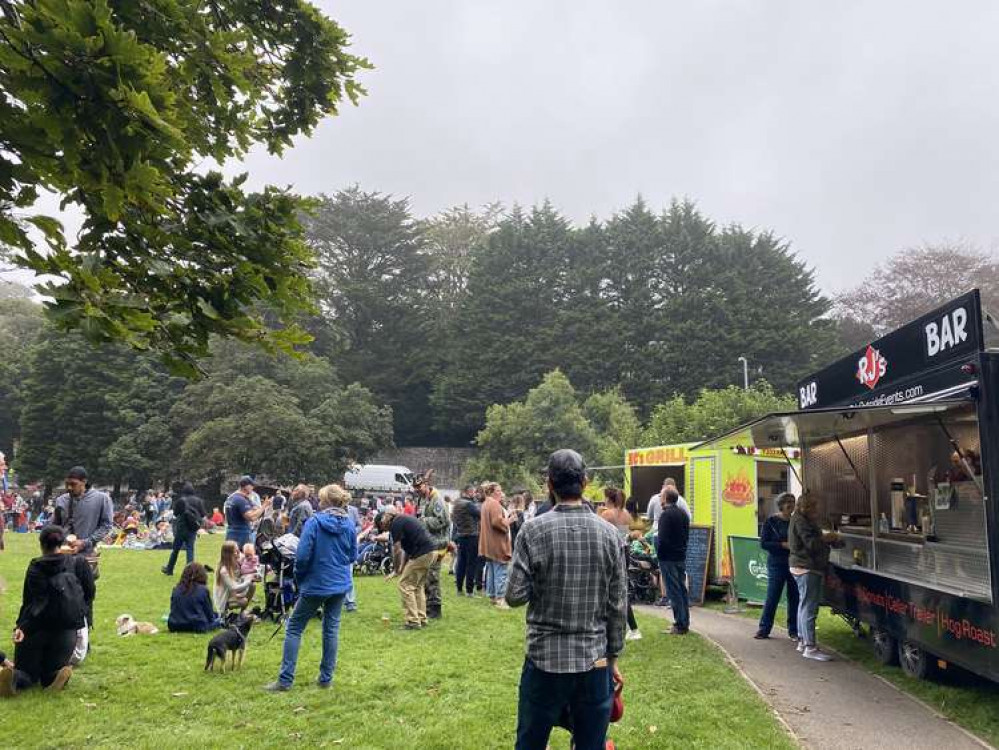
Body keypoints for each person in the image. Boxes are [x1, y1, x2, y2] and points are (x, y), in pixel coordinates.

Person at [506, 449, 627, 750]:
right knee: (590, 745)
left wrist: (544, 580)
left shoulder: (532, 530)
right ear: (585, 483)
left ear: (549, 484)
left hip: (544, 659)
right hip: (594, 660)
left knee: (531, 742)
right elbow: (618, 606)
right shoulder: (611, 535)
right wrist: (612, 659)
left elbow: (514, 595)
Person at [265, 484, 357, 692]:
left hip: (316, 583)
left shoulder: (314, 522)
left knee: (294, 627)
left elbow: (303, 555)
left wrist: (299, 577)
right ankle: (326, 679)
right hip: (339, 584)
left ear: (324, 502)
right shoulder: (349, 524)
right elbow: (353, 555)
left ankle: (285, 680)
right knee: (331, 630)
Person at [0, 526, 93, 697]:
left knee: (27, 674)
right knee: (51, 670)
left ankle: (15, 678)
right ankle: (55, 676)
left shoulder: (36, 567)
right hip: (67, 632)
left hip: (35, 630)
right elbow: (89, 593)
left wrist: (21, 627)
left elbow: (30, 603)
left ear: (41, 544)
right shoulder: (78, 562)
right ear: (62, 542)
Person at [789, 494, 839, 661]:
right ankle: (810, 646)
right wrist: (827, 538)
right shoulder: (801, 521)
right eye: (814, 508)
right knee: (810, 607)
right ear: (805, 507)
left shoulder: (798, 519)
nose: (816, 511)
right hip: (807, 567)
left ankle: (803, 641)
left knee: (803, 605)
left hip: (801, 566)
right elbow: (811, 543)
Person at [375, 507, 436, 629]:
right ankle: (421, 618)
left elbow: (396, 550)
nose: (384, 530)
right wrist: (399, 569)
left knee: (405, 585)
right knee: (417, 586)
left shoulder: (395, 524)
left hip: (422, 553)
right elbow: (405, 550)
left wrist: (396, 568)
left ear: (383, 521)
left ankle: (412, 621)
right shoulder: (402, 520)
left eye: (382, 528)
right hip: (431, 552)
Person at [755, 493, 800, 641]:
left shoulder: (797, 521)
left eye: (792, 502)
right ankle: (764, 629)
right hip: (776, 563)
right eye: (787, 502)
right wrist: (782, 545)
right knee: (772, 596)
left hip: (794, 562)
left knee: (794, 597)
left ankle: (794, 631)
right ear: (781, 505)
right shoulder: (771, 521)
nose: (790, 505)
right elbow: (764, 543)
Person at [600, 487, 642, 641]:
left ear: (609, 499)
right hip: (624, 552)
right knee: (621, 590)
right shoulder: (626, 515)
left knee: (611, 591)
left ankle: (630, 627)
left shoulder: (606, 514)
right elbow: (627, 534)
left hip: (611, 554)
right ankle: (630, 627)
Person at [52, 466, 113, 553]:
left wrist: (85, 543)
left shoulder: (102, 499)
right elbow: (55, 526)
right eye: (67, 484)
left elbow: (106, 525)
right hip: (63, 554)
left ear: (84, 482)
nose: (69, 488)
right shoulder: (61, 500)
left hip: (87, 554)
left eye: (73, 484)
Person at [414, 473, 450, 620]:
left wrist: (423, 521)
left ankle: (435, 609)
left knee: (432, 577)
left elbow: (443, 521)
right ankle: (426, 606)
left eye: (419, 486)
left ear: (426, 484)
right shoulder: (422, 499)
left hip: (438, 543)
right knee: (426, 576)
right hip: (427, 543)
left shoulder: (437, 500)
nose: (417, 489)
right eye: (415, 487)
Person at [657, 487, 690, 635]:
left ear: (665, 498)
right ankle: (685, 621)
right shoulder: (683, 514)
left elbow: (662, 539)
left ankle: (679, 624)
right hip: (680, 556)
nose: (659, 498)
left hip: (668, 558)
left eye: (661, 495)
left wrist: (658, 552)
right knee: (681, 589)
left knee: (673, 591)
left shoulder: (666, 515)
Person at [478, 482, 513, 609]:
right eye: (498, 491)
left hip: (488, 543)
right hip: (497, 544)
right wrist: (509, 521)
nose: (501, 493)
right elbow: (497, 522)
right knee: (501, 571)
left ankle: (492, 596)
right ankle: (500, 599)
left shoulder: (485, 503)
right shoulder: (494, 504)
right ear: (492, 492)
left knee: (492, 570)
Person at [161, 482, 206, 576]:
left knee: (176, 549)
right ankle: (190, 571)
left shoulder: (181, 500)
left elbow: (176, 514)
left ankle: (169, 569)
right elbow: (202, 514)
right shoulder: (198, 501)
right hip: (192, 528)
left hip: (181, 528)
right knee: (190, 549)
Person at [168, 562, 218, 633]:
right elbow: (210, 616)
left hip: (174, 625)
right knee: (220, 620)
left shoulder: (176, 589)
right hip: (197, 625)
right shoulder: (203, 590)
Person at [451, 485, 482, 597]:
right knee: (471, 564)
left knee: (461, 563)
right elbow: (480, 514)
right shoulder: (469, 504)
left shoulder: (457, 503)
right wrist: (475, 501)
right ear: (469, 492)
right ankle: (469, 591)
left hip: (460, 535)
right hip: (472, 536)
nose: (475, 494)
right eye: (473, 492)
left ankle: (459, 589)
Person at [213, 540, 256, 614]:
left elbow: (252, 562)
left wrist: (254, 574)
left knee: (253, 585)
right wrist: (248, 581)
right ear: (228, 554)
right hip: (225, 598)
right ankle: (224, 612)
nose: (238, 553)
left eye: (238, 550)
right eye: (235, 551)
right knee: (244, 601)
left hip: (234, 593)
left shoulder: (239, 560)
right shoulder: (224, 570)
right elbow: (234, 588)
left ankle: (242, 613)